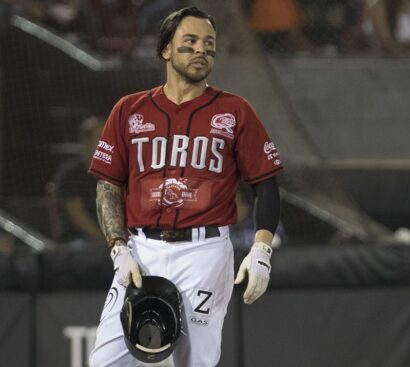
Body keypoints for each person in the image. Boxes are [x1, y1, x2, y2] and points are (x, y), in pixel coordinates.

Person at [87, 7, 283, 366]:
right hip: (141, 249)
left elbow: (266, 185)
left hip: (204, 251)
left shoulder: (235, 111)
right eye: (189, 42)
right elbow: (108, 186)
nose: (200, 50)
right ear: (165, 50)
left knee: (196, 362)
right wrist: (118, 248)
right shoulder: (129, 110)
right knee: (105, 361)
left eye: (208, 44)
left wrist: (261, 250)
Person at [50, 116, 105, 247]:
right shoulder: (70, 174)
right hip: (79, 240)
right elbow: (77, 215)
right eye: (100, 136)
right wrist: (106, 241)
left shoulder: (118, 172)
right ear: (86, 141)